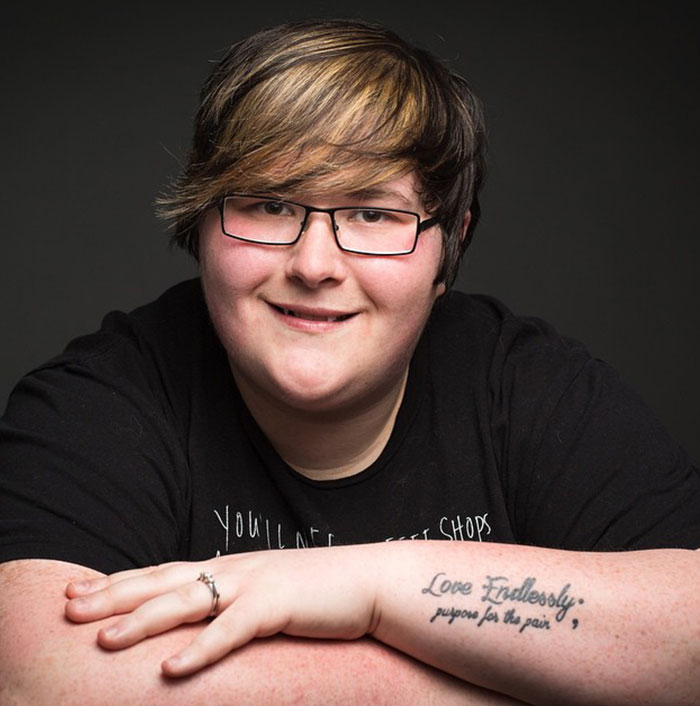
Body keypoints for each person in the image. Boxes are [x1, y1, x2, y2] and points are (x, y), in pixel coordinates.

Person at [1, 17, 698, 706]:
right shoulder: (98, 402)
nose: (314, 264)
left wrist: (371, 588)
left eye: (372, 214)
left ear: (451, 241)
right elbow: (40, 682)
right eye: (270, 204)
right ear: (203, 221)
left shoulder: (529, 385)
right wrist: (521, 680)